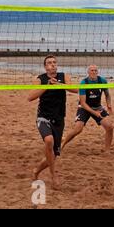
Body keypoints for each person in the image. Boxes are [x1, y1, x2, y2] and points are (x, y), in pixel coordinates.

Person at [28, 55, 77, 189]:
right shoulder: (40, 79)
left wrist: (59, 85)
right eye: (49, 63)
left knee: (53, 155)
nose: (53, 65)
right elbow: (30, 97)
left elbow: (76, 89)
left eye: (54, 62)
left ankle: (36, 171)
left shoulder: (64, 76)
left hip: (59, 118)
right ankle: (53, 176)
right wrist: (48, 86)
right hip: (43, 117)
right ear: (45, 67)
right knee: (49, 140)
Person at [61, 65, 114, 152]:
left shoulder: (102, 81)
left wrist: (109, 105)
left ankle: (107, 150)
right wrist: (95, 113)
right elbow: (83, 103)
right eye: (92, 70)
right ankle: (62, 145)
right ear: (88, 72)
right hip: (84, 107)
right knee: (78, 129)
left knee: (110, 127)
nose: (94, 72)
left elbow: (107, 94)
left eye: (95, 71)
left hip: (97, 107)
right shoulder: (84, 83)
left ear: (97, 72)